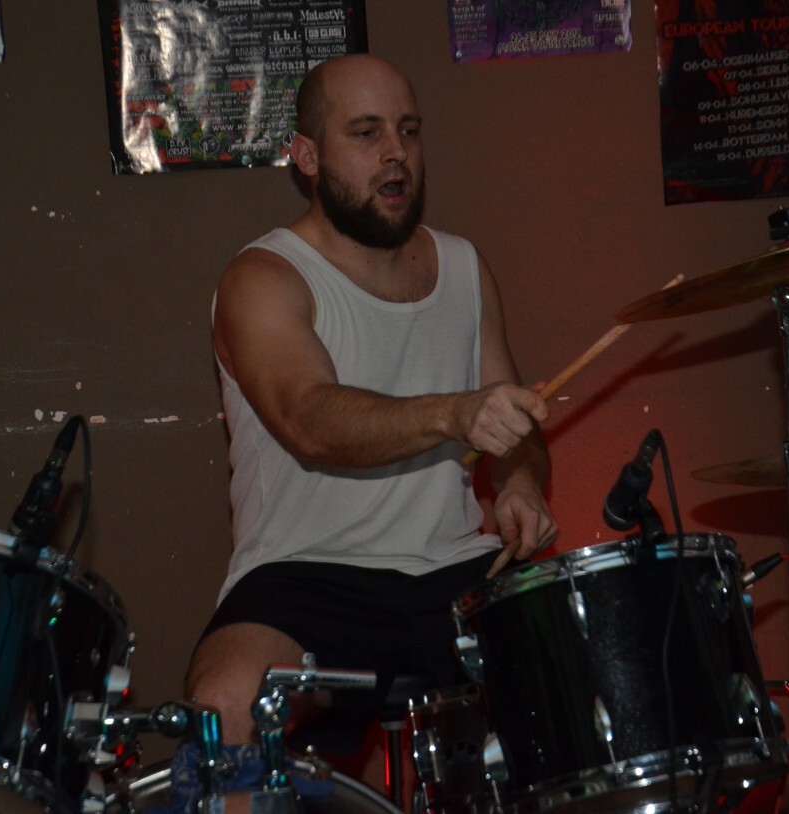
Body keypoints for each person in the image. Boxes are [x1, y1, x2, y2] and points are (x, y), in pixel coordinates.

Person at [185, 52, 558, 800]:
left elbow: (513, 427)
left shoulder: (463, 266)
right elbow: (310, 419)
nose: (396, 153)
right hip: (305, 572)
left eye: (408, 131)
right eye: (366, 133)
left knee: (592, 672)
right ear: (307, 157)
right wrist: (454, 413)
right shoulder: (262, 277)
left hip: (456, 568)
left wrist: (520, 483)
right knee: (225, 704)